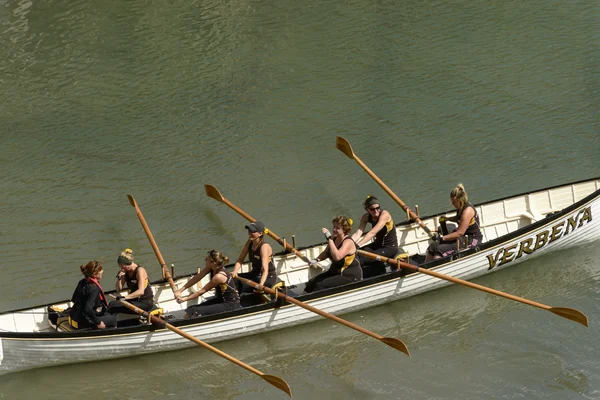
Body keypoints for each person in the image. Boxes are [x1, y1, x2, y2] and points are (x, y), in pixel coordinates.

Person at [174, 249, 242, 318]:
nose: (205, 260)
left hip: (230, 305)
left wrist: (184, 299)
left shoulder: (219, 276)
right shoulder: (211, 267)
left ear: (213, 262)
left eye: (207, 259)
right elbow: (197, 277)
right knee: (191, 309)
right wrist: (180, 291)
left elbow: (202, 291)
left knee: (196, 311)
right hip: (220, 300)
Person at [425, 183, 483, 262]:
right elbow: (459, 218)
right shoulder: (460, 207)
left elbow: (460, 233)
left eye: (454, 202)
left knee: (440, 249)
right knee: (433, 246)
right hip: (462, 238)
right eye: (451, 201)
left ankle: (434, 268)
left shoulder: (467, 211)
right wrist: (448, 219)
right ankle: (426, 267)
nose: (452, 204)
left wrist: (442, 238)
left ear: (460, 200)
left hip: (471, 240)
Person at [304, 215, 362, 293]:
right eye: (334, 227)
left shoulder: (348, 242)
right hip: (335, 272)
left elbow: (337, 257)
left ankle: (315, 301)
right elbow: (326, 253)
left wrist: (329, 239)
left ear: (344, 230)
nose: (334, 229)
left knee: (320, 285)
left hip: (349, 276)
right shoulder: (334, 239)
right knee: (312, 282)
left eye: (338, 228)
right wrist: (316, 260)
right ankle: (302, 298)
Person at [351, 195, 398, 278]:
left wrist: (357, 245)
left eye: (378, 208)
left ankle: (357, 279)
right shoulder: (365, 217)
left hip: (389, 248)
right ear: (367, 209)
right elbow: (359, 232)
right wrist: (349, 243)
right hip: (377, 245)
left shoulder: (384, 215)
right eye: (372, 209)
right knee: (355, 255)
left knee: (361, 260)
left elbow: (372, 232)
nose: (376, 211)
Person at [231, 221, 278, 295]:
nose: (249, 233)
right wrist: (235, 271)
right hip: (254, 274)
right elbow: (240, 260)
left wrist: (261, 285)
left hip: (267, 277)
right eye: (249, 230)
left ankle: (235, 301)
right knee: (230, 279)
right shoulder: (249, 242)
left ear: (260, 233)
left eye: (252, 231)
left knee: (240, 286)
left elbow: (265, 270)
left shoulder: (264, 247)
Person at [69, 260, 117, 329]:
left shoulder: (82, 281)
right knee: (113, 319)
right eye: (100, 270)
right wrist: (98, 323)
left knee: (106, 313)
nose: (102, 271)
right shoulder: (94, 288)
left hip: (73, 318)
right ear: (94, 273)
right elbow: (88, 309)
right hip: (81, 323)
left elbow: (74, 299)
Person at [107, 248, 154, 314]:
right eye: (121, 268)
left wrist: (125, 297)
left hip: (145, 302)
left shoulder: (140, 270)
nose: (122, 269)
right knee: (111, 304)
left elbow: (141, 291)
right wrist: (119, 279)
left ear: (128, 264)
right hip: (134, 300)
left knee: (115, 308)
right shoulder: (125, 271)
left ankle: (111, 323)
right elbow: (118, 289)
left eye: (123, 267)